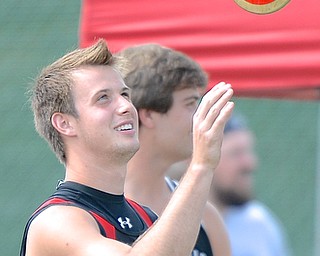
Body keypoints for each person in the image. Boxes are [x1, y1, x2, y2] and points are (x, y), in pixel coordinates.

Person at [19, 39, 234, 256]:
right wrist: (201, 166)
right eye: (103, 98)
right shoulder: (55, 220)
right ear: (64, 123)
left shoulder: (146, 218)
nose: (125, 106)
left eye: (124, 94)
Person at [117, 43, 231, 256]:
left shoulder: (206, 217)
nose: (198, 117)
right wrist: (201, 165)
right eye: (190, 104)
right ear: (148, 114)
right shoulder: (93, 214)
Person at [168, 113, 292, 256]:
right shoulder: (169, 221)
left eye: (248, 151)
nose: (249, 164)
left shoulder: (260, 223)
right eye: (235, 153)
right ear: (195, 158)